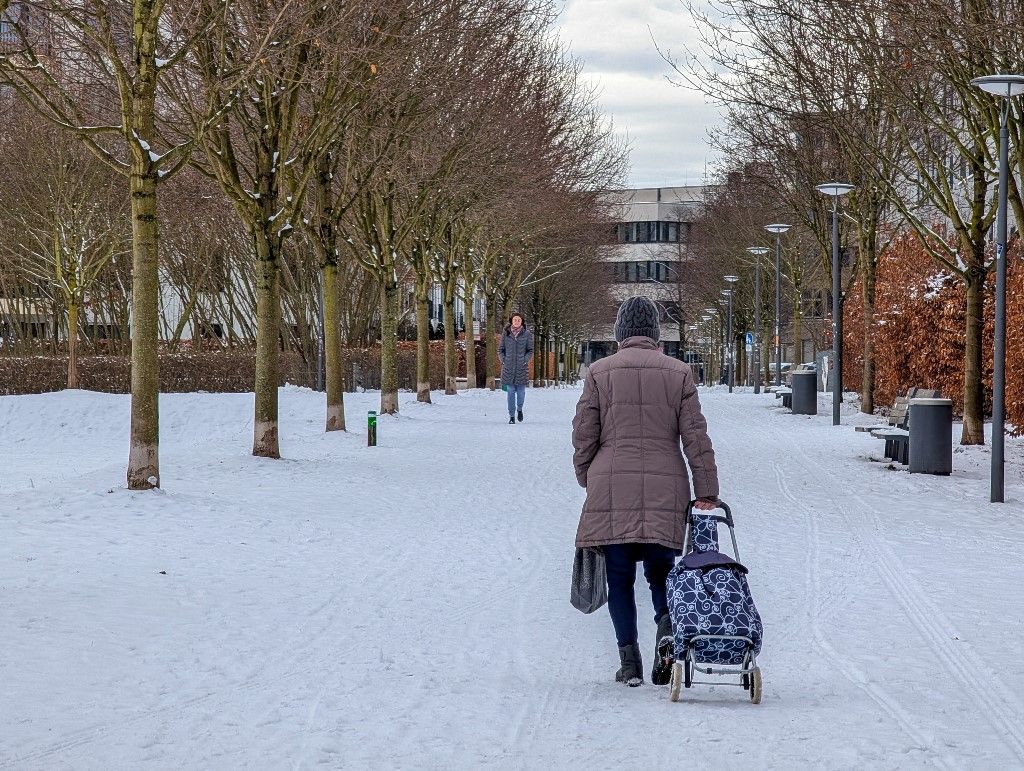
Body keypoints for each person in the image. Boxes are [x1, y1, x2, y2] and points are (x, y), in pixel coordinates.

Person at [571, 296, 720, 687]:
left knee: (618, 577)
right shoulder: (679, 373)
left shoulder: (600, 372)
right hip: (665, 486)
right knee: (661, 574)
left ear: (620, 333)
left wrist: (588, 475)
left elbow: (584, 433)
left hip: (611, 484)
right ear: (655, 334)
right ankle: (667, 633)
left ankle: (629, 661)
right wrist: (706, 489)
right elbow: (696, 436)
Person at [499, 312, 533, 424]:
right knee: (510, 392)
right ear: (511, 321)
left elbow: (530, 350)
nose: (516, 321)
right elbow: (500, 349)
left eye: (519, 320)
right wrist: (503, 360)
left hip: (521, 368)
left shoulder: (527, 334)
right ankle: (511, 416)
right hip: (508, 367)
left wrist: (524, 360)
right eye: (515, 320)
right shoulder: (506, 333)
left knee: (521, 392)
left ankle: (519, 409)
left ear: (521, 321)